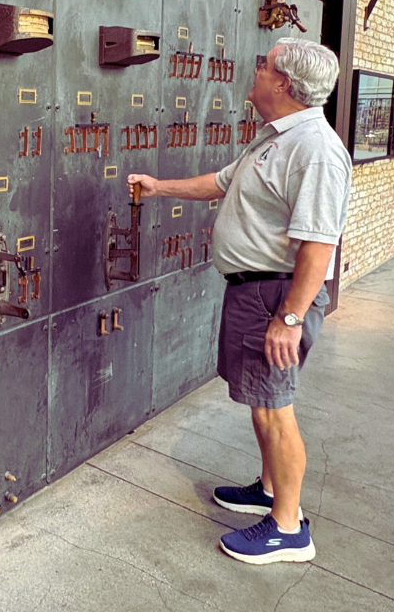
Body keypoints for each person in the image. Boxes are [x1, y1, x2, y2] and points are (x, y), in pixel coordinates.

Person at [127, 38, 349, 565]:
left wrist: (290, 318)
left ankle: (288, 529)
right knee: (261, 400)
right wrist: (159, 187)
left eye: (264, 65)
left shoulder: (314, 150)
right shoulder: (274, 138)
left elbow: (319, 245)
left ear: (284, 84)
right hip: (255, 291)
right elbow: (221, 183)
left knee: (276, 408)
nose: (255, 69)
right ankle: (270, 492)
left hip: (276, 294)